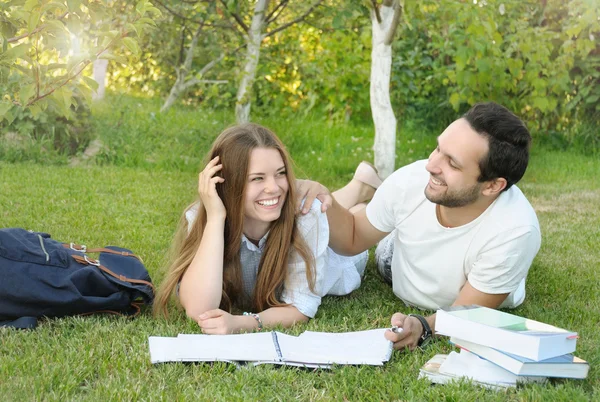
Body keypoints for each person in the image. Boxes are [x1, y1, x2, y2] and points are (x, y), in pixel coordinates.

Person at [305, 102, 541, 351]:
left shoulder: (515, 232)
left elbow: (465, 314)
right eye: (438, 148)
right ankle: (360, 189)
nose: (431, 165)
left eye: (452, 163)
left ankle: (363, 194)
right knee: (373, 237)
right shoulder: (410, 181)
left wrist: (423, 325)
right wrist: (320, 195)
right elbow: (353, 237)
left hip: (463, 266)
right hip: (395, 255)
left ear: (492, 186)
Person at [153, 123, 373, 334]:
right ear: (225, 184)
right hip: (269, 208)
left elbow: (301, 307)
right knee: (296, 201)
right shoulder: (205, 217)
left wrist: (241, 323)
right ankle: (359, 187)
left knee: (317, 206)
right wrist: (216, 218)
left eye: (280, 173)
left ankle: (360, 192)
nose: (274, 187)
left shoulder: (307, 217)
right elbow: (199, 309)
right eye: (257, 178)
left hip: (339, 256)